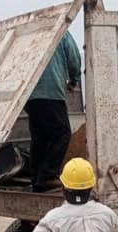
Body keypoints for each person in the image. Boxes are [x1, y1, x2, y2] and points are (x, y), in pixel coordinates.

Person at [26, 31, 82, 192]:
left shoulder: (33, 34)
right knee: (62, 133)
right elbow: (74, 59)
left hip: (29, 95)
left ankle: (36, 179)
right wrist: (74, 80)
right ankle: (48, 176)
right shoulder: (62, 32)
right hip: (51, 92)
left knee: (39, 137)